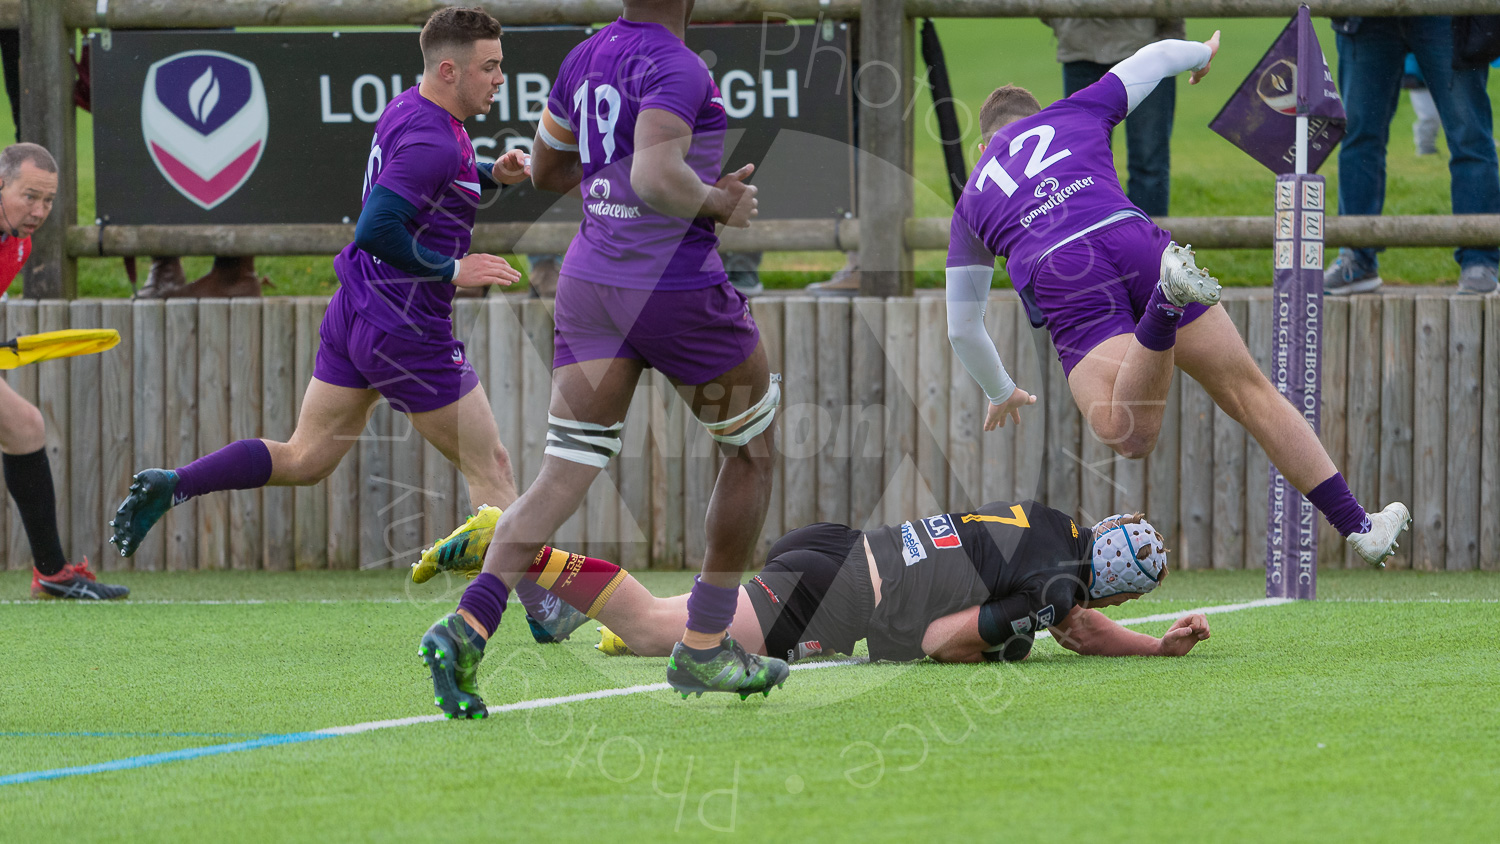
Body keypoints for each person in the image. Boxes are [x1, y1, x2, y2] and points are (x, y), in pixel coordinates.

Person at [417, 0, 786, 719]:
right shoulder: (678, 66)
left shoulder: (586, 57)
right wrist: (718, 202)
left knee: (562, 471)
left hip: (592, 286)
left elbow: (551, 167)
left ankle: (467, 626)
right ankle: (705, 646)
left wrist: (613, 184)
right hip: (675, 291)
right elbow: (656, 176)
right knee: (750, 453)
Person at [943, 32, 1411, 569]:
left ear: (983, 148)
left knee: (1129, 434)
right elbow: (1153, 57)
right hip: (1133, 237)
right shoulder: (1073, 112)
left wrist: (1000, 390)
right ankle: (1360, 525)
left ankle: (1165, 304)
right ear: (1039, 117)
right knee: (1249, 390)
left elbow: (963, 327)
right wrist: (1204, 54)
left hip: (1066, 271)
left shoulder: (973, 198)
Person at [108, 8, 533, 564]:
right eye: (491, 66)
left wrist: (489, 175)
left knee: (304, 459)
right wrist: (456, 270)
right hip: (407, 329)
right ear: (450, 70)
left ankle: (176, 482)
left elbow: (429, 182)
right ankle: (536, 608)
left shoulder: (410, 108)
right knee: (493, 469)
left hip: (355, 313)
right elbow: (376, 227)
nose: (500, 77)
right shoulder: (433, 140)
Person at [421, 500, 1211, 671]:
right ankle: (514, 545)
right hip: (838, 587)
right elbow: (942, 642)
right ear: (1105, 591)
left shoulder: (1049, 522)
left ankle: (580, 607)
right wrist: (1156, 648)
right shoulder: (1057, 586)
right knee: (669, 630)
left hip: (840, 552)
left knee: (664, 626)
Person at [0, 143, 127, 599]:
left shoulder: (17, 244)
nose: (39, 210)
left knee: (25, 426)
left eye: (48, 200)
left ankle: (51, 575)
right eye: (29, 196)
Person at [1323, 15, 1500, 296]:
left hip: (1447, 12)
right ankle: (1356, 257)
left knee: (1469, 137)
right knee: (1359, 137)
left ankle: (1480, 259)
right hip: (1366, 13)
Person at [1042, 16, 1185, 217]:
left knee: (1147, 161)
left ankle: (1148, 246)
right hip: (1083, 44)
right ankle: (1096, 245)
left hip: (1141, 44)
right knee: (1087, 164)